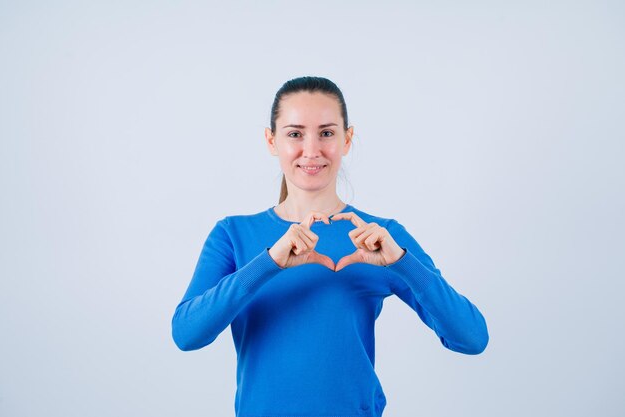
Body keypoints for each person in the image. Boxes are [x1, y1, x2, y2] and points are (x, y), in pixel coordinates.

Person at [171, 76, 489, 417]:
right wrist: (269, 263)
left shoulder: (380, 237)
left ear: (347, 139)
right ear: (271, 140)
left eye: (326, 133)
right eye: (295, 133)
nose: (312, 150)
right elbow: (187, 334)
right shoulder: (233, 234)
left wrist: (400, 262)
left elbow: (471, 337)